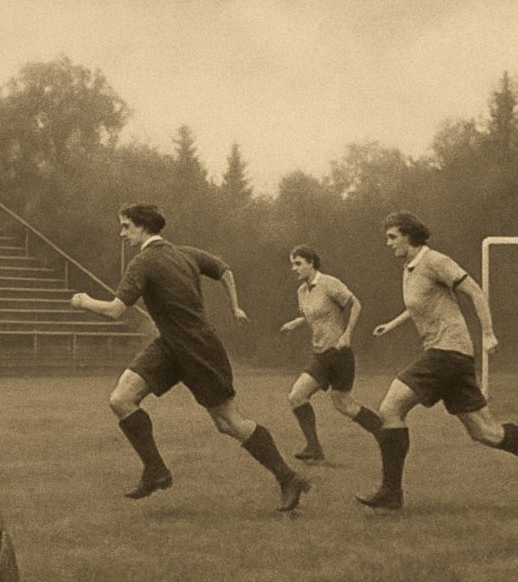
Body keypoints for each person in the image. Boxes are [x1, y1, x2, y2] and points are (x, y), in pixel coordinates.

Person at [70, 203, 310, 512]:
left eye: (126, 226)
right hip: (170, 345)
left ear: (143, 227)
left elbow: (116, 310)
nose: (122, 233)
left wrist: (85, 301)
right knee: (121, 398)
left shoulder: (143, 262)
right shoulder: (186, 253)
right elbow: (225, 270)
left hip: (198, 348)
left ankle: (288, 478)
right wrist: (234, 306)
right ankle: (156, 470)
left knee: (228, 423)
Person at [357, 211, 518, 509]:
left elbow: (475, 292)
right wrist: (391, 324)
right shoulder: (410, 268)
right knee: (486, 433)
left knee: (390, 409)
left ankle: (391, 493)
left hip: (447, 353)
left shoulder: (435, 261)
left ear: (409, 236)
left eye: (393, 237)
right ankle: (391, 493)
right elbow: (421, 304)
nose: (388, 243)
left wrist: (489, 333)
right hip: (450, 358)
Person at [279, 244, 381, 461]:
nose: (294, 268)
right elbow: (312, 315)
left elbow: (356, 304)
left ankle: (384, 433)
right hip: (321, 355)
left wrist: (347, 335)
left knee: (344, 405)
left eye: (298, 263)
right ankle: (314, 448)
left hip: (339, 354)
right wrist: (295, 323)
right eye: (292, 264)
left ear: (311, 263)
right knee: (297, 396)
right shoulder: (302, 291)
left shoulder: (329, 283)